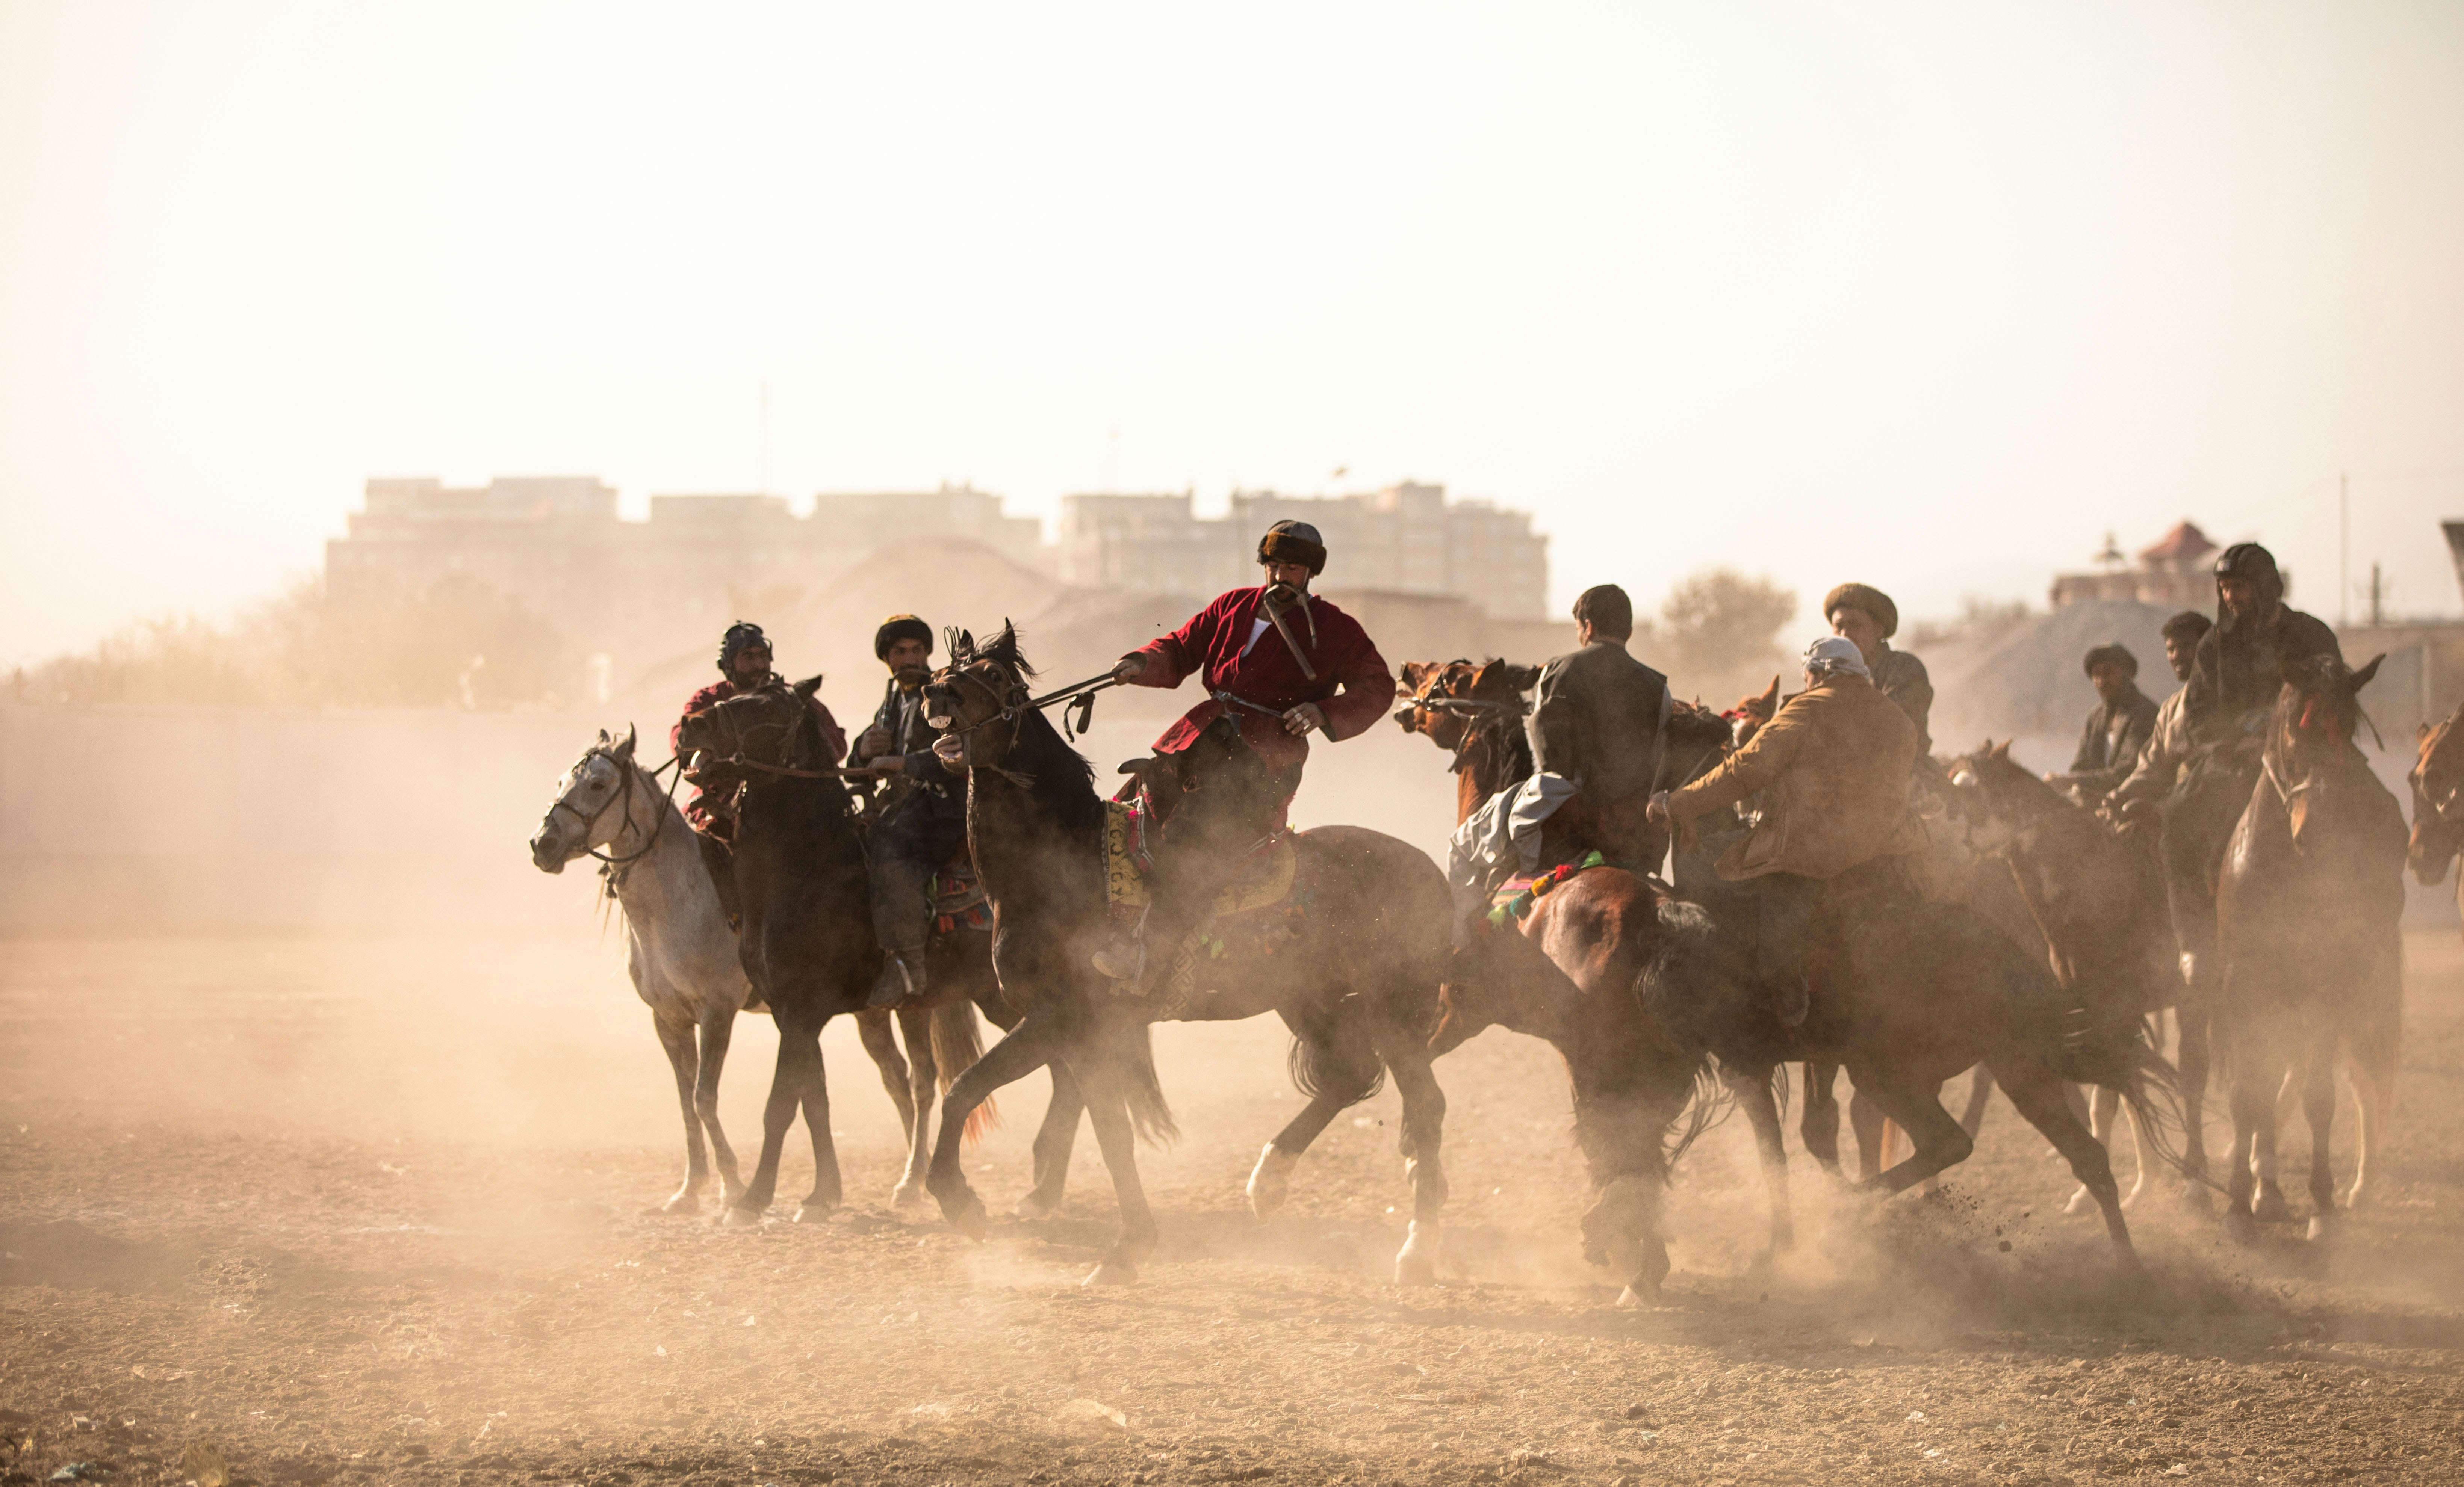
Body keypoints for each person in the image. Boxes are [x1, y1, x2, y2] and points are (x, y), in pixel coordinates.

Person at [1096, 519, 1397, 993]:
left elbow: (1378, 687)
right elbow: (1178, 648)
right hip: (1197, 740)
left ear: (1310, 573)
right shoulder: (1230, 606)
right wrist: (1139, 662)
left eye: (1291, 567)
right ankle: (1098, 931)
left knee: (1193, 841)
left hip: (1264, 762)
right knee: (1122, 817)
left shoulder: (1335, 629)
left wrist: (1322, 711)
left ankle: (1148, 959)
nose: (1280, 575)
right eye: (1273, 564)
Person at [1647, 636, 1922, 1026]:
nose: (1806, 682)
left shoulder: (1807, 709)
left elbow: (1743, 771)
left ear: (1819, 673)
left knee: (1699, 859)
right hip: (1888, 848)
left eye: (1807, 674)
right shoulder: (1896, 718)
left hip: (1812, 849)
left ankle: (1721, 982)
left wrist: (1676, 804)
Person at [2163, 543, 2339, 993]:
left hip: (2308, 758)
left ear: (2264, 586)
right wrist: (2237, 742)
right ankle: (2194, 944)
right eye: (2223, 588)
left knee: (2372, 807)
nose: (2229, 597)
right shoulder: (2214, 645)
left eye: (2238, 586)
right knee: (2175, 820)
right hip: (2236, 764)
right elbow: (2198, 715)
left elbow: (2337, 692)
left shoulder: (2311, 635)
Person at [671, 622, 847, 931]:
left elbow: (834, 742)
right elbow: (683, 737)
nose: (758, 665)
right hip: (722, 797)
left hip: (788, 800)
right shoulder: (710, 701)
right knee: (696, 841)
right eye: (747, 658)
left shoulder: (791, 697)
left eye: (762, 656)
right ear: (728, 665)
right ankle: (732, 919)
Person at [847, 615, 966, 1007]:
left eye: (917, 650)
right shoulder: (891, 702)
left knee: (890, 847)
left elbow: (959, 749)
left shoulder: (942, 692)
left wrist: (904, 764)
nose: (911, 658)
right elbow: (860, 761)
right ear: (888, 659)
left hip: (943, 805)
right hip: (902, 804)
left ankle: (908, 963)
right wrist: (863, 749)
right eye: (901, 652)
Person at [1526, 583, 1672, 869]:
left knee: (1470, 842)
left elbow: (1542, 748)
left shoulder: (1556, 671)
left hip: (1570, 809)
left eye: (1578, 629)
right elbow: (1661, 751)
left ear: (1588, 627)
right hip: (1634, 821)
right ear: (1628, 632)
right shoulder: (1659, 686)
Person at [2104, 611, 2213, 821]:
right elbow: (2153, 766)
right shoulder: (2170, 709)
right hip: (2175, 809)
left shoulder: (2227, 696)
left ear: (2207, 646)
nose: (2177, 656)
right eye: (2171, 649)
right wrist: (2120, 796)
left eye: (2186, 647)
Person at [1824, 583, 1932, 754]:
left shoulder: (1904, 668)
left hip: (1904, 768)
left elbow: (1889, 725)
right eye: (1839, 626)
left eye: (1855, 625)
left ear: (1878, 630)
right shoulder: (1828, 674)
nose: (1845, 634)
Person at [2054, 642, 2161, 804]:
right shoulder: (2095, 717)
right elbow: (2079, 766)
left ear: (2126, 673)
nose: (2102, 681)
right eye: (2097, 675)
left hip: (2133, 805)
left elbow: (2127, 771)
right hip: (2096, 804)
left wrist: (2071, 781)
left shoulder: (2144, 713)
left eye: (2109, 673)